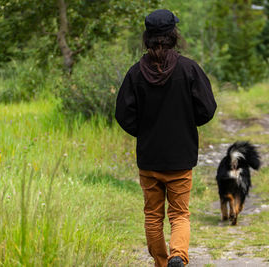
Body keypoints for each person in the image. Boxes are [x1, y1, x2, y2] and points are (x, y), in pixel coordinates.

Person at [115, 9, 216, 267]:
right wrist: (186, 123)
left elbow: (123, 115)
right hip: (181, 157)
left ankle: (162, 263)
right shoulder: (189, 69)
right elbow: (207, 109)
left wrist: (145, 131)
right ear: (174, 35)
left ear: (147, 37)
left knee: (152, 216)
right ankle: (178, 255)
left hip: (149, 159)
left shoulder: (135, 73)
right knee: (180, 214)